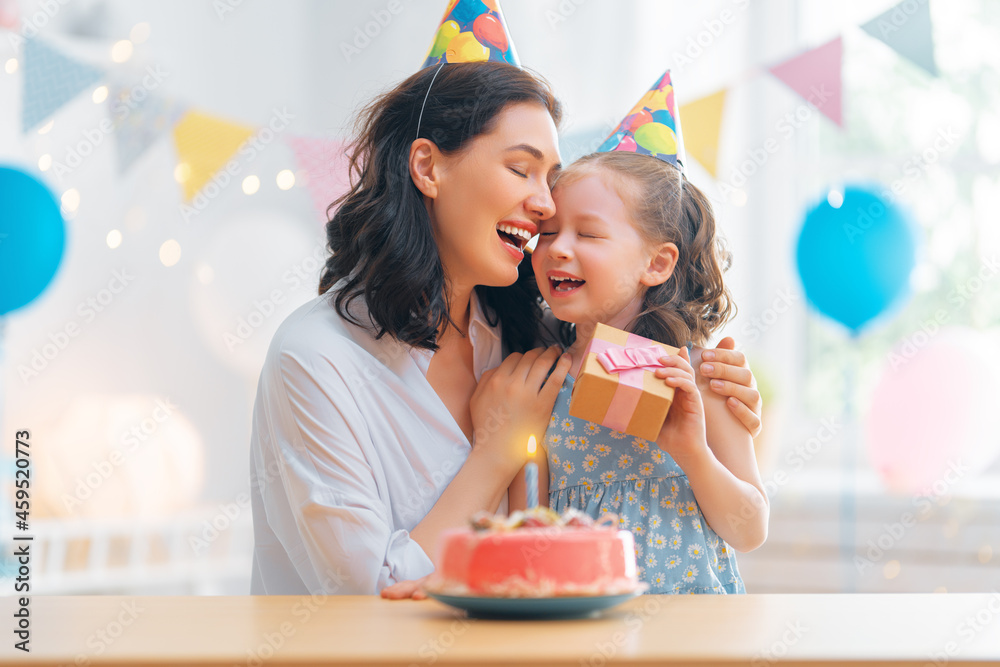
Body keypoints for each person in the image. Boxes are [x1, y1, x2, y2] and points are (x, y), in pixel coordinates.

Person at [250, 14, 761, 596]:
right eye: (521, 169)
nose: (545, 207)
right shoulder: (316, 358)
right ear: (427, 167)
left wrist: (724, 395)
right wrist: (496, 448)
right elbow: (369, 597)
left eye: (551, 179)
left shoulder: (533, 338)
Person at [513, 71, 767, 595]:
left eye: (588, 233)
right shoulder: (543, 376)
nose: (558, 248)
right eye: (548, 233)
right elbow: (529, 525)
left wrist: (690, 449)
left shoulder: (698, 376)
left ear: (657, 262)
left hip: (692, 636)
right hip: (582, 626)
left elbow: (750, 529)